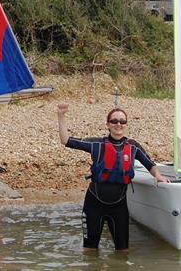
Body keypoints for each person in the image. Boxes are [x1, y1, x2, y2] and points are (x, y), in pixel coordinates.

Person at [57, 104, 169, 251]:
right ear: (108, 124)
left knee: (123, 252)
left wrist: (158, 175)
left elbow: (150, 164)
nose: (118, 124)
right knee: (90, 251)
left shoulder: (133, 147)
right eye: (114, 121)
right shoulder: (96, 144)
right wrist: (61, 116)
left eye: (122, 121)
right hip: (94, 205)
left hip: (119, 207)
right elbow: (66, 141)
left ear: (126, 124)